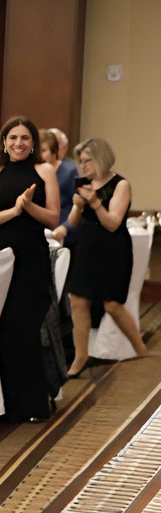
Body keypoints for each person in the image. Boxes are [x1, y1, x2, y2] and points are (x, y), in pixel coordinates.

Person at [0, 116, 60, 421]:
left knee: (24, 328)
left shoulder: (44, 170)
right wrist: (14, 211)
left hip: (31, 259)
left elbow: (53, 218)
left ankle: (30, 404)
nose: (18, 143)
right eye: (13, 137)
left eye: (25, 138)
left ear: (33, 143)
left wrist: (29, 208)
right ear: (4, 142)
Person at [61, 137, 148, 376]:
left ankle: (141, 349)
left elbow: (112, 224)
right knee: (77, 300)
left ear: (101, 158)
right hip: (87, 246)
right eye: (81, 161)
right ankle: (81, 356)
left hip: (113, 249)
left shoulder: (120, 184)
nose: (84, 165)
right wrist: (78, 206)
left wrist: (95, 202)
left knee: (112, 304)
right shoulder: (85, 184)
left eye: (88, 160)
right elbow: (73, 223)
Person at [46, 128, 80, 249]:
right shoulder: (36, 169)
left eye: (56, 145)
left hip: (64, 232)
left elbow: (78, 204)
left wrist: (66, 227)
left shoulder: (71, 170)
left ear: (64, 149)